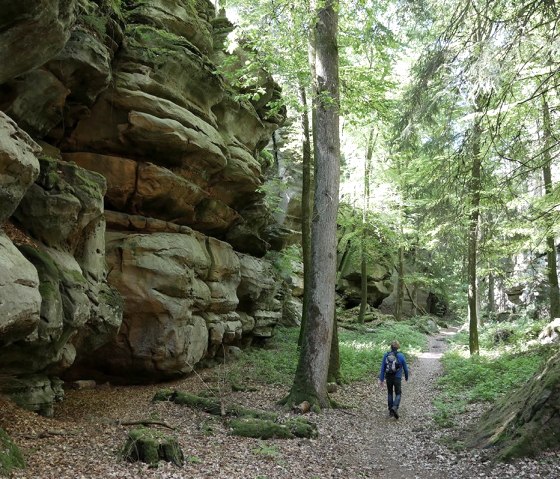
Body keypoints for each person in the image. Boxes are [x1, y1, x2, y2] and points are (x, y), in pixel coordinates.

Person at [378, 340, 409, 419]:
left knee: (390, 393)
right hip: (397, 377)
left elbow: (382, 368)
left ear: (391, 347)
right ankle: (395, 407)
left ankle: (390, 411)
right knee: (398, 393)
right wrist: (406, 376)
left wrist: (381, 379)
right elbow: (405, 368)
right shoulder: (401, 355)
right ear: (398, 347)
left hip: (388, 377)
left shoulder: (386, 355)